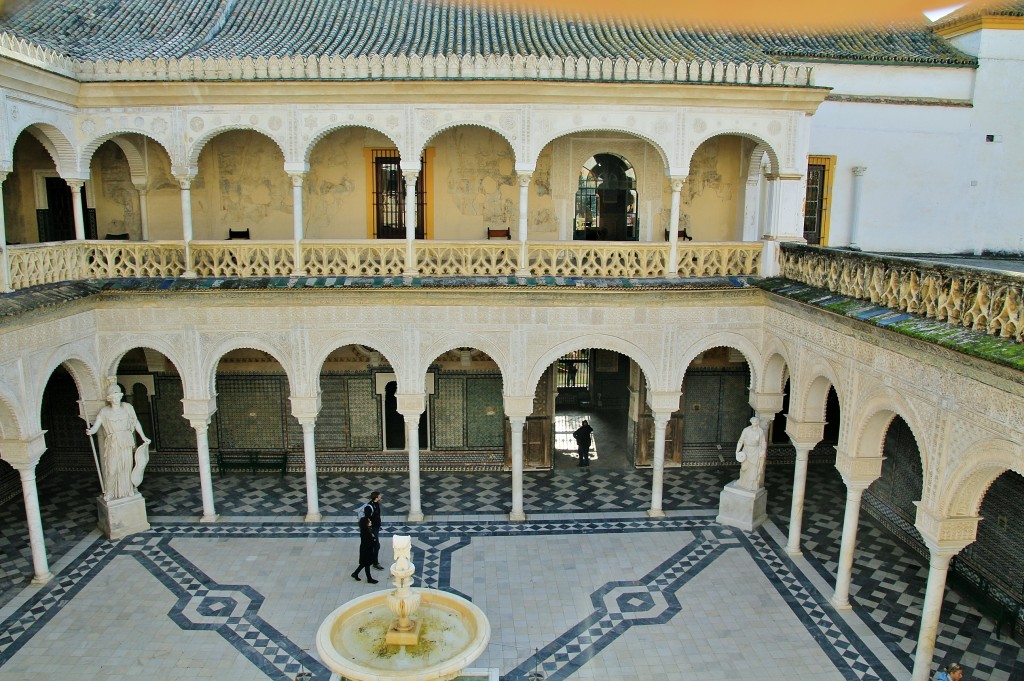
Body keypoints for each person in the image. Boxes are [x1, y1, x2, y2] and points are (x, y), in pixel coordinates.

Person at [85, 385, 151, 501]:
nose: (116, 399)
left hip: (125, 440)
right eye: (113, 397)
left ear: (121, 396)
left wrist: (143, 436)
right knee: (112, 469)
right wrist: (91, 431)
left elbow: (135, 422)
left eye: (118, 396)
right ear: (109, 399)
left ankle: (128, 489)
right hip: (113, 442)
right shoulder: (104, 411)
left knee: (126, 467)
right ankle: (109, 492)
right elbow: (96, 426)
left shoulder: (127, 407)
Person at [734, 416, 767, 491]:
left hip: (755, 451)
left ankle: (752, 485)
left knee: (754, 468)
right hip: (746, 450)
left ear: (757, 423)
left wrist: (763, 451)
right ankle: (742, 482)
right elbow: (741, 441)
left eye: (755, 422)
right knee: (744, 467)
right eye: (752, 422)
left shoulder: (760, 431)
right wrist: (737, 450)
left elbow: (763, 443)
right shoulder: (746, 430)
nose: (753, 424)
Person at [351, 506, 379, 584]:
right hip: (366, 550)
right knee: (367, 564)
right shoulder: (366, 532)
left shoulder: (366, 530)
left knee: (364, 563)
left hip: (365, 549)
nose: (371, 522)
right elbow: (368, 542)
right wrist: (374, 540)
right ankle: (369, 579)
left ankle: (355, 573)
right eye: (369, 522)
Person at [367, 491, 384, 570]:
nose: (380, 496)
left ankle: (373, 560)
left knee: (375, 545)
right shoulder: (370, 506)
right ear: (376, 498)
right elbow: (368, 518)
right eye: (379, 496)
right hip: (373, 528)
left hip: (376, 526)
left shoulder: (376, 504)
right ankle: (375, 562)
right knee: (376, 545)